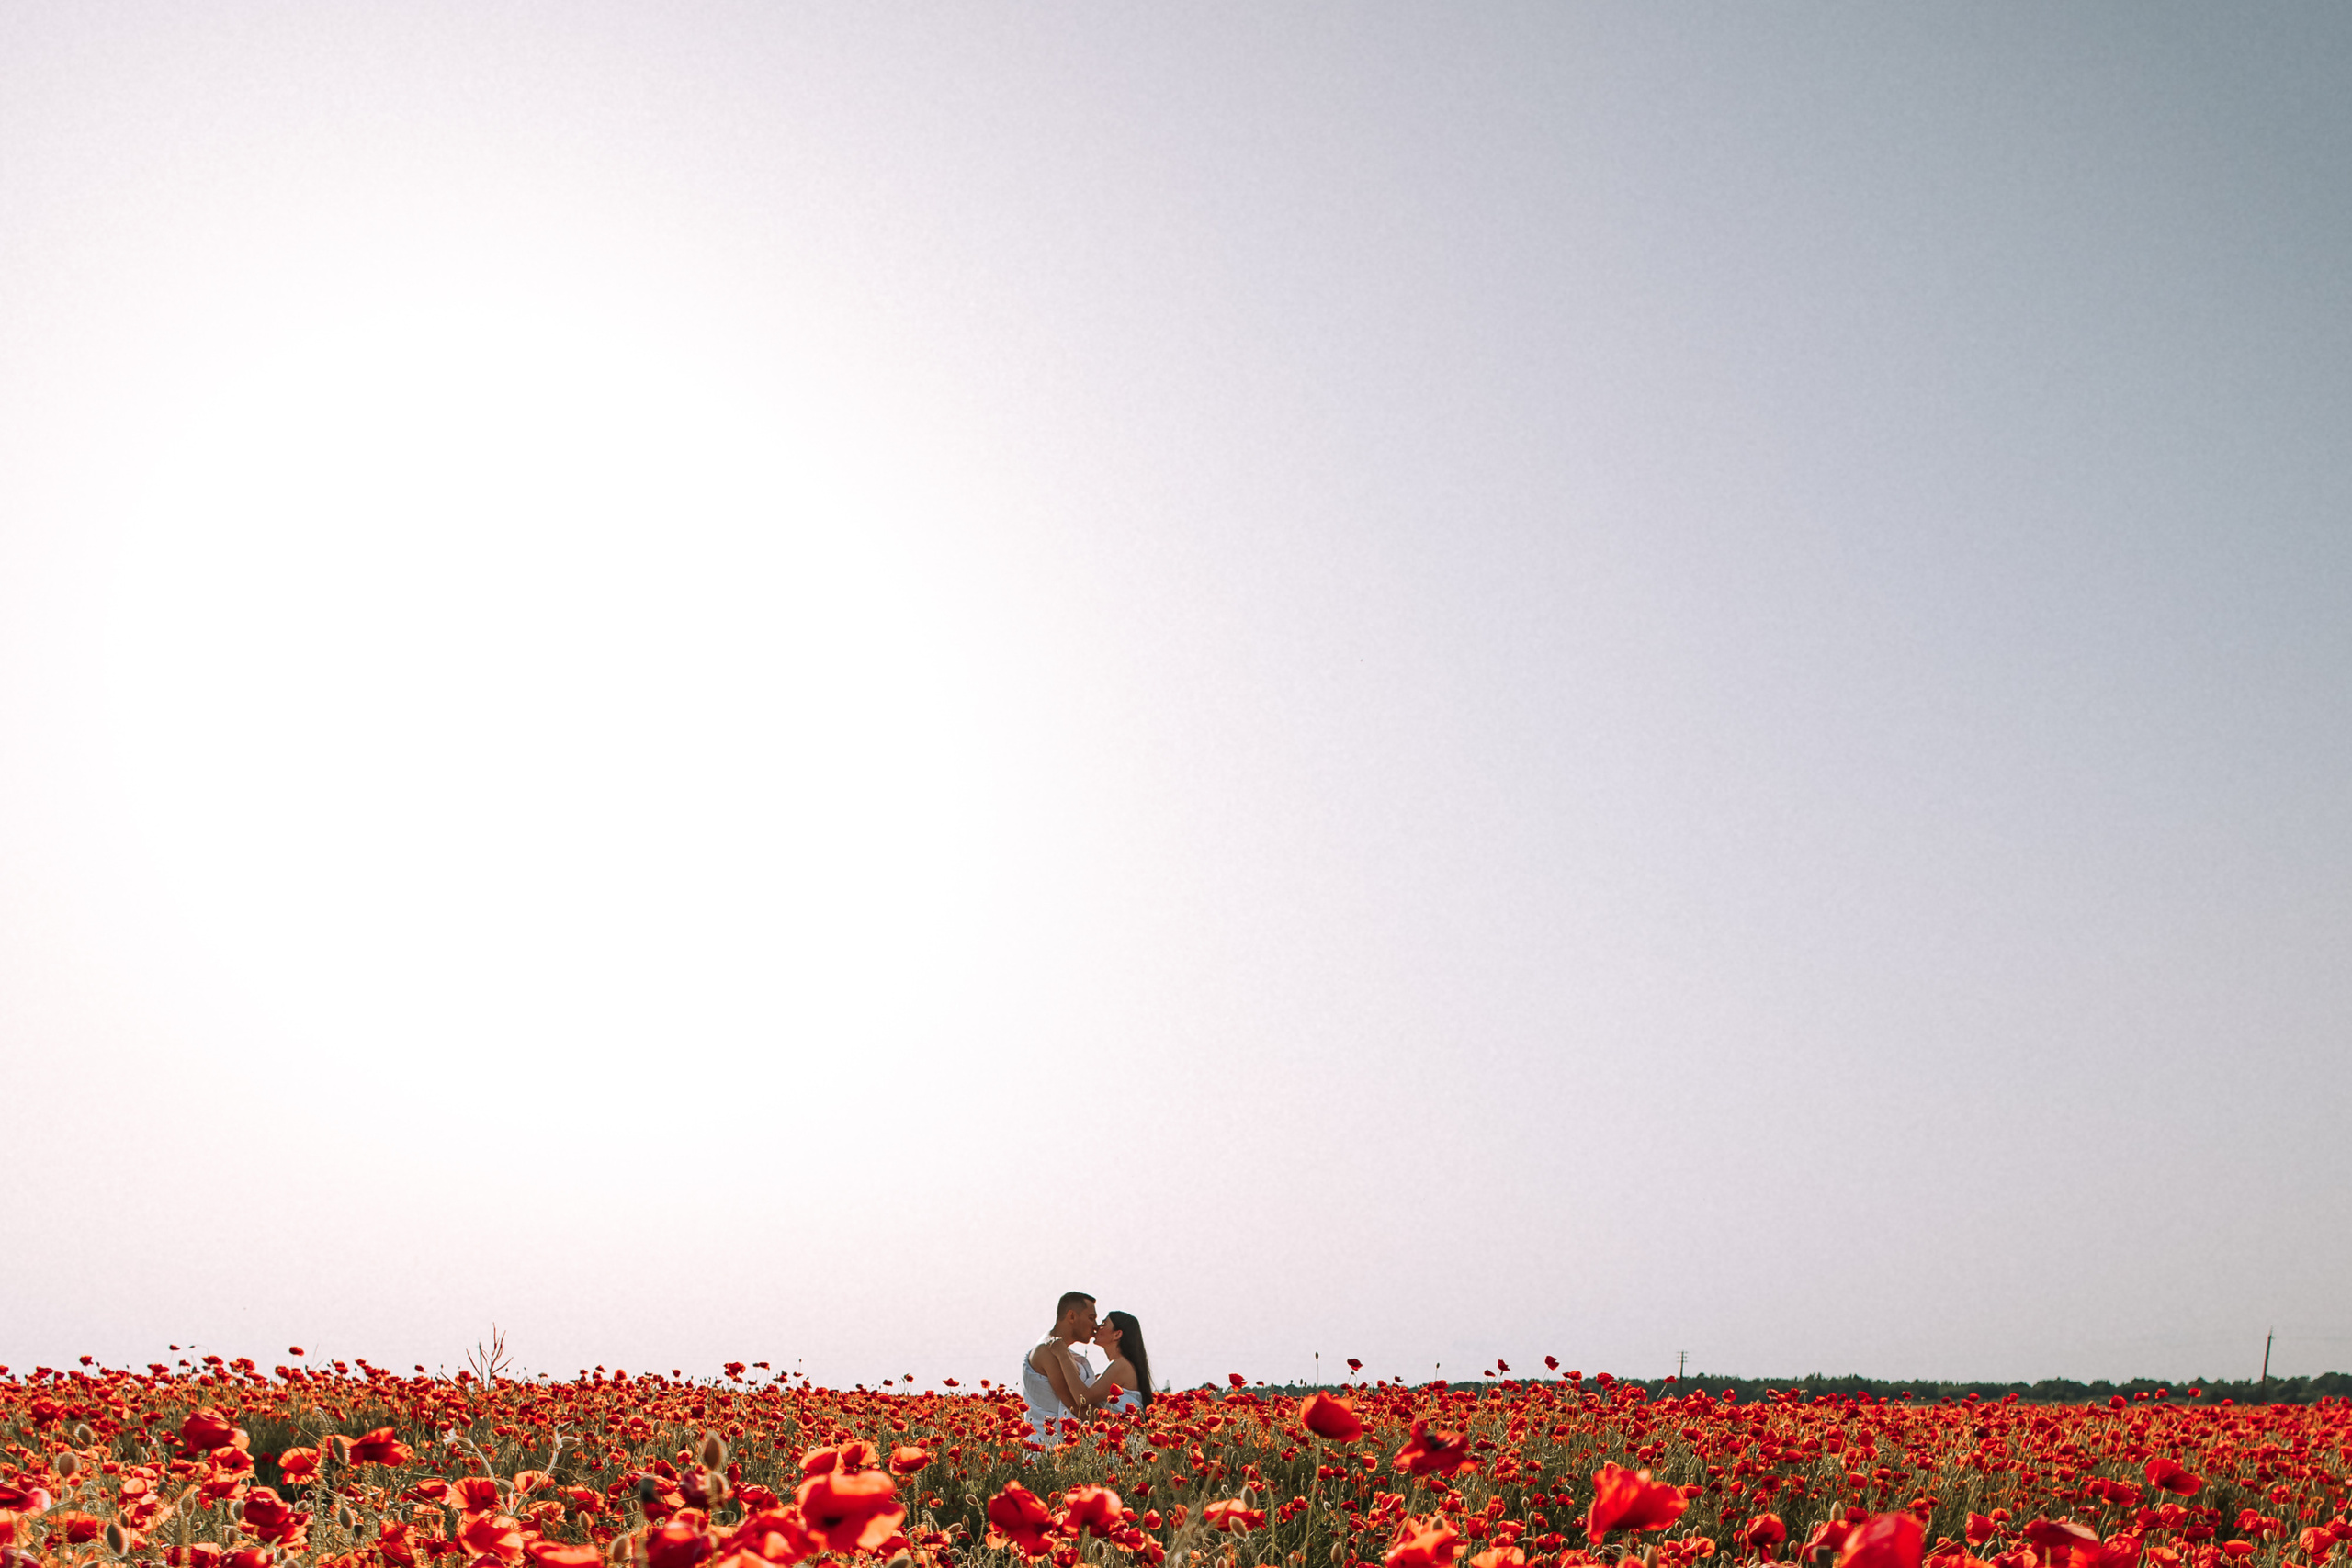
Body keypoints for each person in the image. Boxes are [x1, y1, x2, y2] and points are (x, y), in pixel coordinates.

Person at [1023, 1291, 1119, 1444]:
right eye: (1091, 1318)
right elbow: (1075, 1407)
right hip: (1048, 1450)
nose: (1095, 1326)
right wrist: (1121, 1423)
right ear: (1072, 1316)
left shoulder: (1061, 1351)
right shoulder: (1046, 1351)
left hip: (1063, 1448)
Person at [1089, 1310, 1153, 1412]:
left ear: (1117, 1334)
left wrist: (1064, 1357)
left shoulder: (1121, 1365)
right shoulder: (1124, 1365)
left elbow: (1083, 1399)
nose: (1097, 1327)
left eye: (1104, 1324)